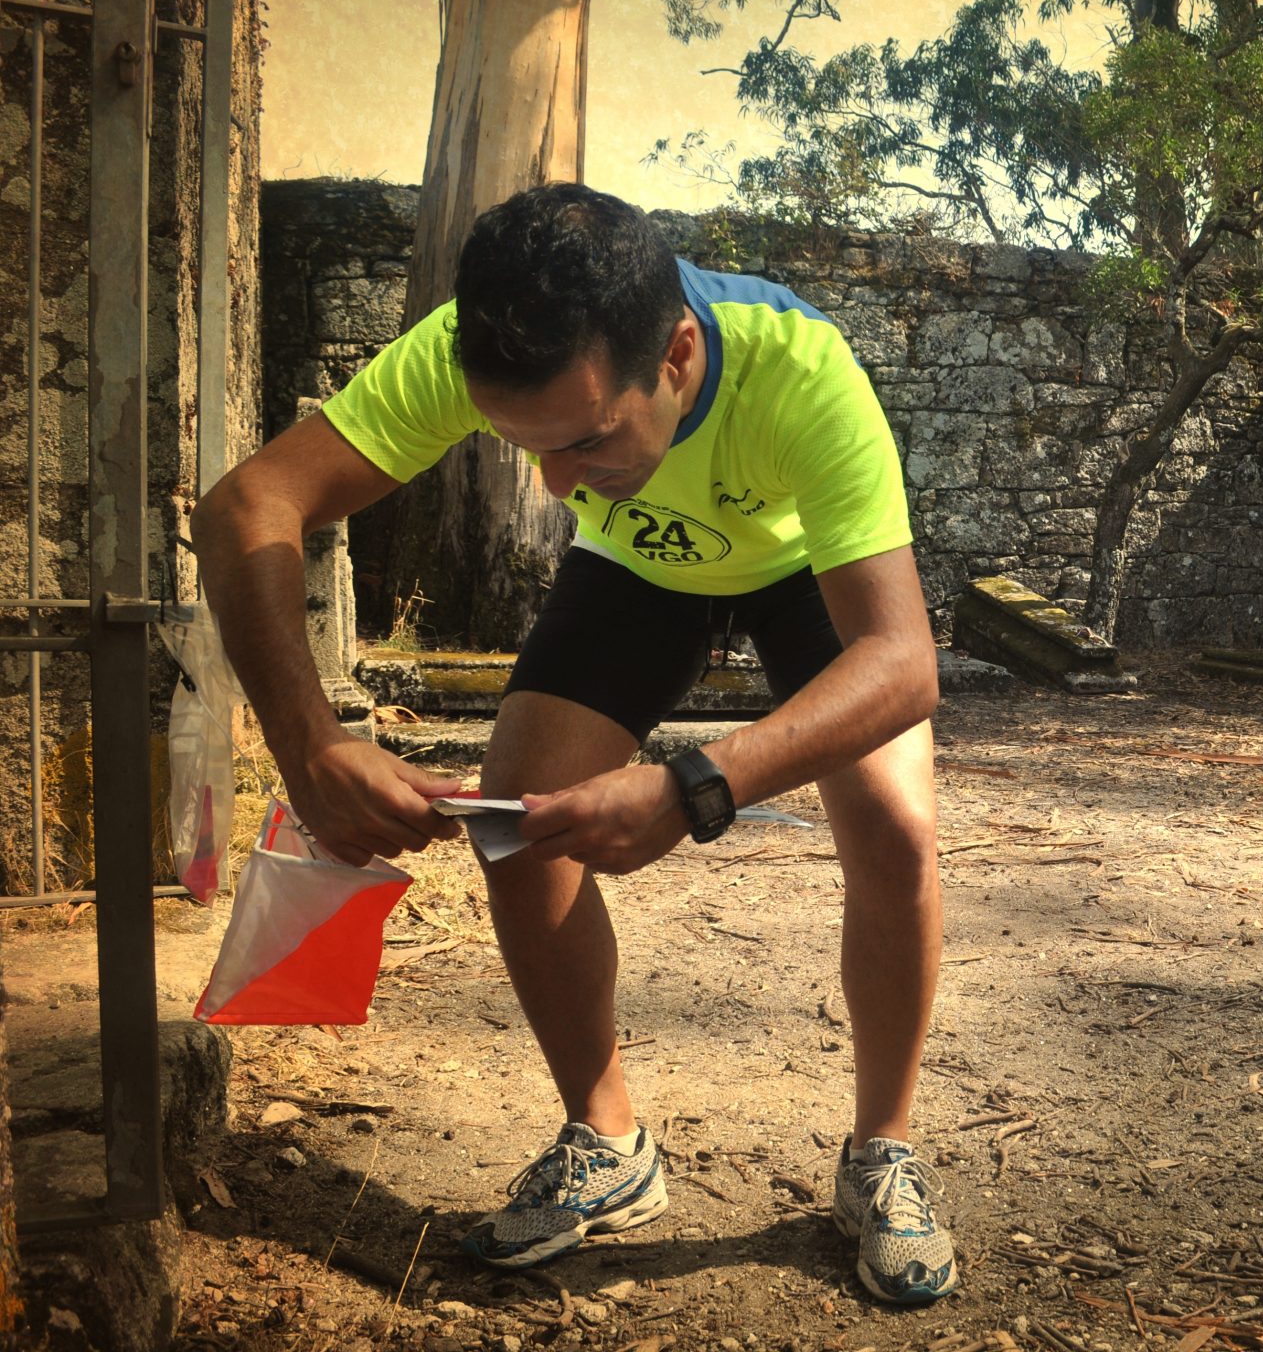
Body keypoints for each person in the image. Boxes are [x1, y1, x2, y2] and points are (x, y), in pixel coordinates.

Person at [193, 183, 956, 1304]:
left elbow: (900, 663)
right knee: (520, 817)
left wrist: (696, 784)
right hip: (639, 567)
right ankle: (607, 1142)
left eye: (586, 438)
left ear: (680, 356)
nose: (550, 484)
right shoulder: (467, 350)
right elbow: (246, 503)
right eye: (523, 447)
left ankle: (880, 1150)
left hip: (803, 573)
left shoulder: (801, 371)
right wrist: (310, 746)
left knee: (893, 827)